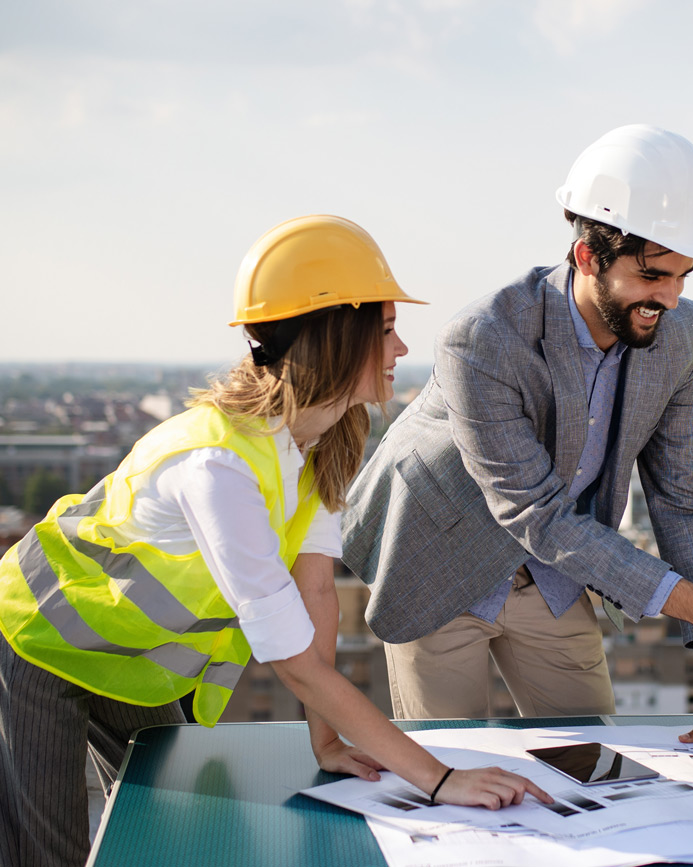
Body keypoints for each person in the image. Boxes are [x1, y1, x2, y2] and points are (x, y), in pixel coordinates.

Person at [0, 215, 548, 867]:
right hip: (38, 643)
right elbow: (294, 664)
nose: (401, 349)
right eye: (385, 330)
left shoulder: (318, 443)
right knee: (50, 856)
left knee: (180, 835)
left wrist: (328, 741)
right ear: (334, 339)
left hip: (128, 663)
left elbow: (316, 590)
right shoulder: (216, 468)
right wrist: (438, 779)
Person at [343, 125, 693, 750]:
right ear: (588, 257)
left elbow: (680, 497)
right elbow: (534, 511)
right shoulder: (483, 336)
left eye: (684, 275)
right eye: (654, 276)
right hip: (443, 555)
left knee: (594, 761)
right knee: (453, 770)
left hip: (553, 571)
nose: (672, 298)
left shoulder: (683, 335)